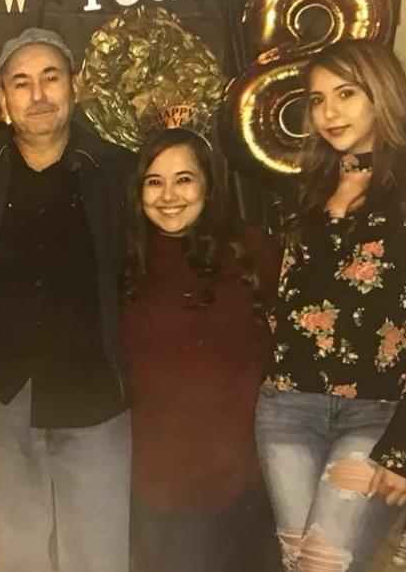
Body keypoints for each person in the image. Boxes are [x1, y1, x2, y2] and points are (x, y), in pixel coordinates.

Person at [0, 27, 133, 572]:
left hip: (96, 394)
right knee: (17, 549)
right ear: (3, 100)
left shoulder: (119, 173)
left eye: (50, 77)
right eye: (21, 82)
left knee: (98, 553)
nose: (38, 94)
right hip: (4, 395)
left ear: (75, 86)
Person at [257, 39, 406, 572]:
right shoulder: (308, 187)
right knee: (301, 563)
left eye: (345, 94)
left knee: (323, 565)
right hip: (288, 408)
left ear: (382, 93)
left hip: (377, 413)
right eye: (318, 99)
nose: (329, 112)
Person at [121, 127, 280, 572]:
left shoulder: (252, 251)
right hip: (152, 475)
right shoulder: (125, 261)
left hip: (236, 475)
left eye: (184, 179)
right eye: (154, 181)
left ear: (210, 185)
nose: (168, 195)